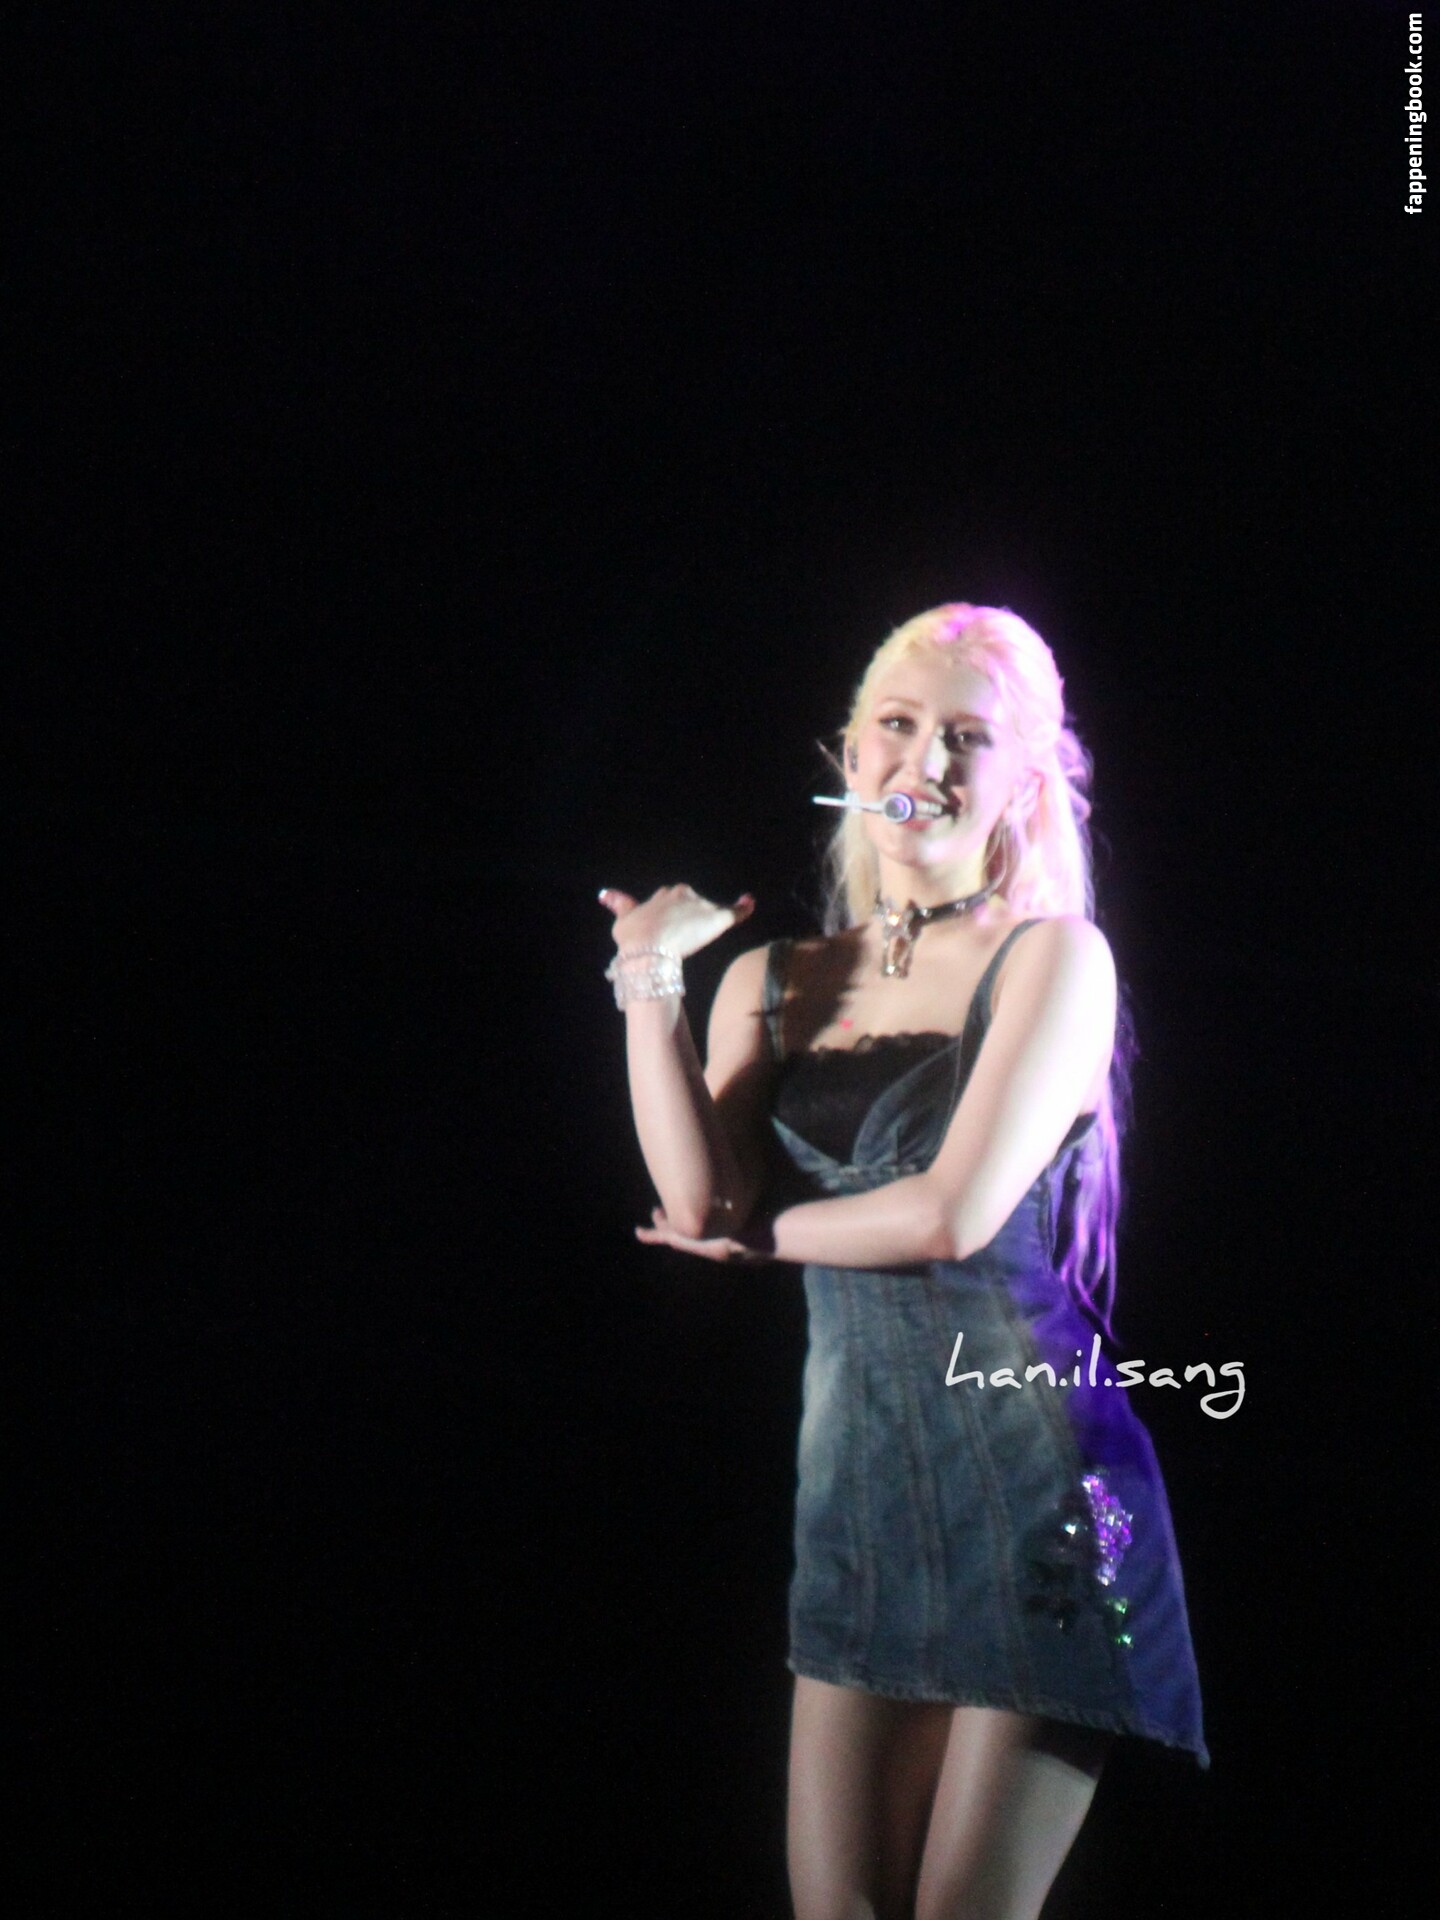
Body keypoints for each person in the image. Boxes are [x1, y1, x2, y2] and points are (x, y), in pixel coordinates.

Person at [598, 603, 1205, 1920]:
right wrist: (647, 980)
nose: (925, 758)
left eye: (967, 737)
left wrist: (747, 1238)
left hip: (1042, 1491)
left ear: (1023, 782)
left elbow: (948, 1214)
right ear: (851, 753)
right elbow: (695, 1193)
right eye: (899, 724)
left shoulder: (1055, 958)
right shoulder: (777, 980)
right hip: (861, 1497)